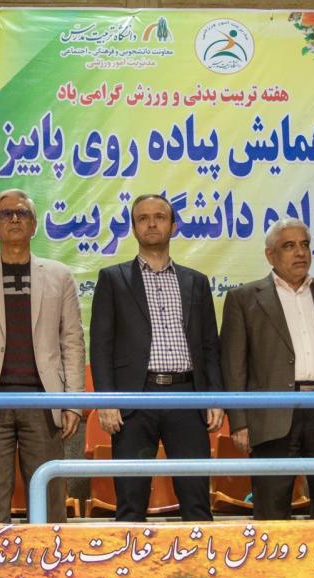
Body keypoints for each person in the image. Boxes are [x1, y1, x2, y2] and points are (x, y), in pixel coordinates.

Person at [0, 189, 84, 523]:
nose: (14, 219)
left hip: (44, 401)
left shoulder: (59, 275)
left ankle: (49, 555)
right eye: (5, 214)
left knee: (49, 502)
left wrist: (73, 403)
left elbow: (72, 342)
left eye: (22, 213)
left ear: (34, 225)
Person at [219, 218, 314, 520]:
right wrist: (239, 422)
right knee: (271, 511)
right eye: (289, 246)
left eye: (304, 245)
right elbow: (234, 366)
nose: (300, 252)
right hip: (271, 414)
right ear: (270, 255)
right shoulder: (244, 299)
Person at [89, 193, 223, 522]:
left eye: (159, 217)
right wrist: (106, 400)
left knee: (196, 502)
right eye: (143, 218)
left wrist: (215, 398)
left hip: (187, 398)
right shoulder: (113, 278)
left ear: (173, 226)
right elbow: (101, 345)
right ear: (133, 228)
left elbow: (209, 345)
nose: (151, 224)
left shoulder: (196, 281)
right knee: (130, 502)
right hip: (134, 400)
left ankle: (200, 557)